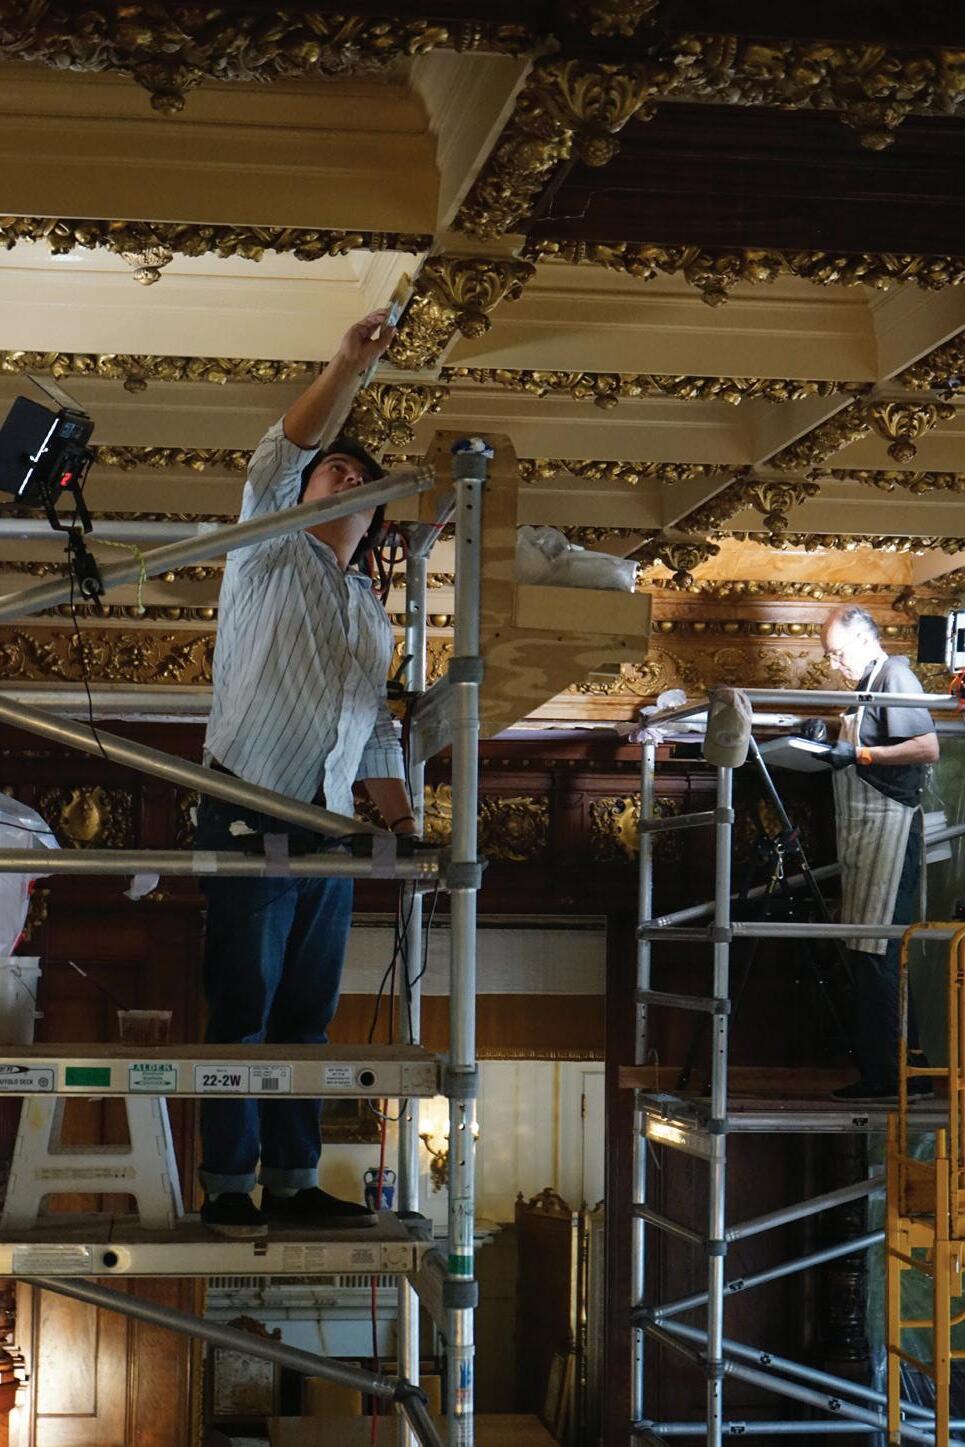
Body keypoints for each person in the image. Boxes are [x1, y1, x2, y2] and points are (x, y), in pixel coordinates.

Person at [196, 309, 417, 1238]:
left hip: (325, 824)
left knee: (305, 1014)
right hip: (249, 806)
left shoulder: (369, 611)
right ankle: (226, 1184)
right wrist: (346, 368)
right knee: (243, 1006)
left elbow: (373, 734)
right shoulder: (268, 549)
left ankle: (290, 1179)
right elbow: (273, 461)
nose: (348, 479)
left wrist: (404, 829)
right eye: (336, 469)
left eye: (362, 481)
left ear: (373, 519)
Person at [820, 605, 939, 1101]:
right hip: (865, 832)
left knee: (881, 953)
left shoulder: (895, 676)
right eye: (828, 656)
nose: (834, 665)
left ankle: (896, 1076)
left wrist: (861, 754)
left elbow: (927, 747)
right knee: (869, 953)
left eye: (838, 654)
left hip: (891, 827)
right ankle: (898, 1069)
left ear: (866, 639)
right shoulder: (866, 686)